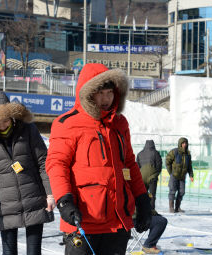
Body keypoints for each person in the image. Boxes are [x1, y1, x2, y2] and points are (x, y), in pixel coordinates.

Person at [45, 63, 152, 255]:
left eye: (110, 92)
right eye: (100, 93)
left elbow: (129, 164)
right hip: (83, 221)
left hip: (118, 222)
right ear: (88, 92)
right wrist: (64, 201)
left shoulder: (119, 124)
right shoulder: (67, 123)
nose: (106, 99)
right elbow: (56, 165)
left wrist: (142, 200)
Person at [0, 92, 55, 255]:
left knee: (34, 251)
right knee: (9, 252)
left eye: (6, 120)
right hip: (7, 204)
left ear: (12, 115)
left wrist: (50, 193)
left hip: (34, 199)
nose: (3, 126)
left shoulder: (28, 129)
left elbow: (43, 161)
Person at [166, 137, 194, 213]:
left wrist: (191, 175)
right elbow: (167, 161)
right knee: (172, 191)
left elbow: (189, 166)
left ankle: (177, 207)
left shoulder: (188, 154)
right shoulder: (174, 152)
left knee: (182, 192)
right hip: (174, 176)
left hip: (182, 177)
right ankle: (171, 208)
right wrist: (170, 172)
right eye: (183, 143)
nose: (184, 144)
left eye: (185, 143)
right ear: (180, 144)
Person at [136, 140, 163, 210]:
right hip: (152, 178)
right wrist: (155, 174)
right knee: (151, 194)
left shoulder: (140, 154)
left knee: (142, 194)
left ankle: (142, 209)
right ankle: (151, 210)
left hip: (142, 178)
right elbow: (159, 165)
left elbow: (137, 167)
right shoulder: (156, 153)